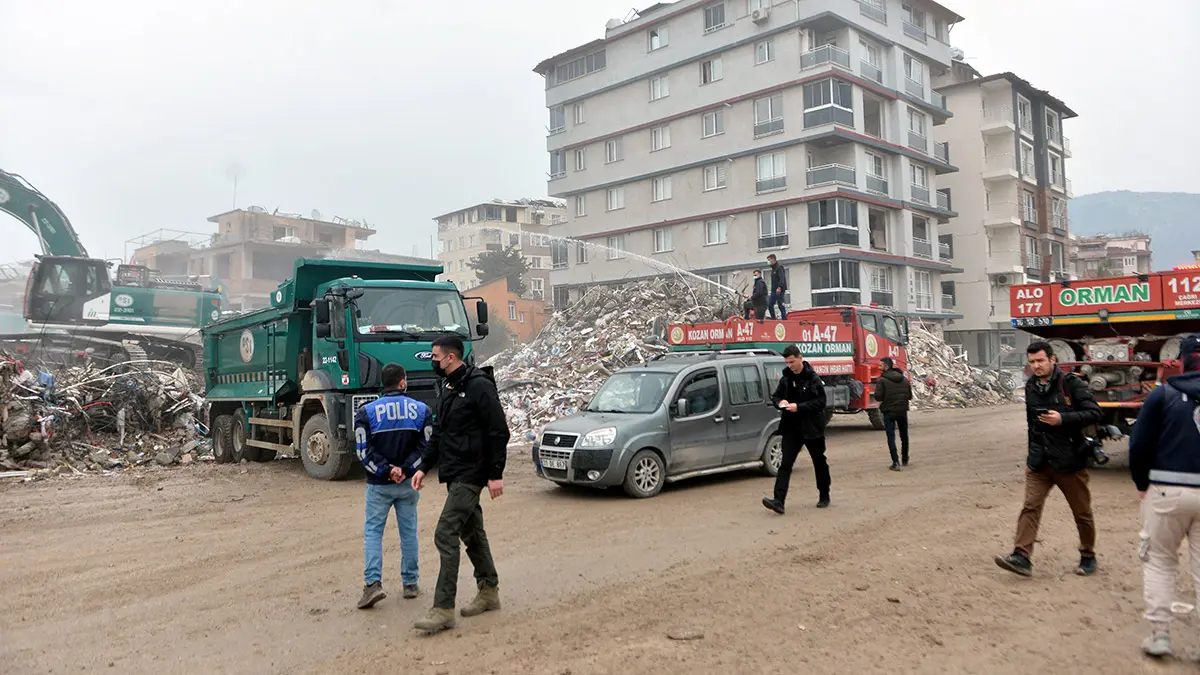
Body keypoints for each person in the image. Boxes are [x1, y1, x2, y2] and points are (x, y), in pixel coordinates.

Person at [410, 335, 510, 633]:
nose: (433, 362)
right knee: (472, 532)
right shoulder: (450, 387)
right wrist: (423, 467)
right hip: (454, 472)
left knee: (445, 532)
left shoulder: (478, 385)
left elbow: (498, 431)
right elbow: (439, 433)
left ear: (451, 358)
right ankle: (489, 590)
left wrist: (495, 474)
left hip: (473, 472)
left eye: (435, 358)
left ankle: (442, 608)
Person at [995, 341, 1102, 578]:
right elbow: (1031, 425)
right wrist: (1031, 455)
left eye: (1040, 360)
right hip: (1040, 462)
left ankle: (1088, 555)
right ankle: (1021, 556)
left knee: (1081, 512)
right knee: (1030, 507)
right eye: (1032, 362)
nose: (1036, 366)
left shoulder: (1071, 383)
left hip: (1070, 461)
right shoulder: (1032, 386)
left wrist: (1063, 419)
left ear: (1053, 360)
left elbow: (1095, 413)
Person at [1129, 335, 1200, 658]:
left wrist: (1141, 483)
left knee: (1159, 563)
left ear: (1182, 361)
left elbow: (1139, 444)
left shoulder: (1163, 395)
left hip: (1165, 490)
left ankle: (1160, 635)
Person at [354, 363, 430, 609]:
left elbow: (363, 452)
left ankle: (373, 585)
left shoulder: (366, 412)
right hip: (408, 484)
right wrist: (406, 470)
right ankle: (410, 584)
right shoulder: (422, 410)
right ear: (403, 381)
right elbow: (426, 447)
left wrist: (387, 471)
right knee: (409, 532)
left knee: (373, 532)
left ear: (382, 382)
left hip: (379, 485)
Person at [762, 344, 830, 513]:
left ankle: (824, 494)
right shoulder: (786, 378)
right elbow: (776, 396)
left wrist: (799, 407)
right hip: (791, 427)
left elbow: (820, 402)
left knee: (818, 461)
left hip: (811, 427)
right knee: (785, 464)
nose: (790, 366)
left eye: (792, 362)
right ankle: (779, 500)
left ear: (800, 357)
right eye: (787, 363)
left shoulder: (813, 379)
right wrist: (780, 403)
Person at [873, 357, 913, 471]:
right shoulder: (904, 380)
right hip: (902, 411)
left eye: (881, 365)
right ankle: (905, 458)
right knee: (904, 435)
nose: (879, 367)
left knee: (891, 437)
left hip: (889, 412)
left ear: (886, 366)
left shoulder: (882, 380)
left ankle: (895, 462)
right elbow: (910, 396)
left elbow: (878, 396)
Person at [766, 254, 788, 320]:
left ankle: (784, 319)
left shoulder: (779, 267)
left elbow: (782, 278)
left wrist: (779, 287)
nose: (768, 262)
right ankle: (773, 318)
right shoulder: (773, 269)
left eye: (769, 260)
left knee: (781, 305)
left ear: (773, 259)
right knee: (770, 305)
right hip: (773, 290)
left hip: (779, 290)